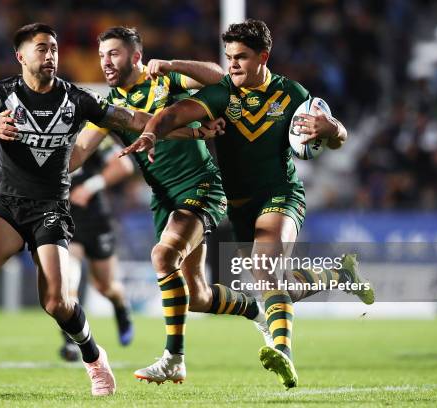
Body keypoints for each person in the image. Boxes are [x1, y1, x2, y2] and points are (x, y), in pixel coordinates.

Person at [0, 22, 220, 397]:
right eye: (41, 48)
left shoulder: (76, 98)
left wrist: (192, 132)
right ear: (20, 56)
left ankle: (94, 357)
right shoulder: (1, 94)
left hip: (51, 208)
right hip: (6, 202)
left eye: (54, 48)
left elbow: (133, 120)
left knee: (56, 302)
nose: (50, 54)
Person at [121, 19, 375, 389]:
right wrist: (150, 131)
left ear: (263, 57)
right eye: (229, 57)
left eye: (241, 57)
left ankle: (283, 352)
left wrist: (331, 129)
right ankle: (340, 274)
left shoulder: (291, 94)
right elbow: (175, 114)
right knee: (278, 283)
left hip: (281, 194)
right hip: (239, 206)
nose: (233, 64)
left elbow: (337, 134)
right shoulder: (222, 93)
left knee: (264, 269)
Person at [70, 26, 276, 385]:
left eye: (114, 53)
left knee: (163, 257)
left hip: (202, 186)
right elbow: (79, 153)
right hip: (164, 198)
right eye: (102, 55)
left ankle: (173, 359)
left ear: (135, 56)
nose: (106, 61)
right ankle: (257, 309)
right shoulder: (108, 108)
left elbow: (220, 77)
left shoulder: (164, 81)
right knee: (196, 296)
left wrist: (169, 64)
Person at [60, 136, 135, 362]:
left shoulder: (88, 135)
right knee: (68, 283)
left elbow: (124, 165)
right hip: (64, 218)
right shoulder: (42, 131)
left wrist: (90, 187)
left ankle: (122, 308)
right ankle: (71, 342)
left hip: (94, 219)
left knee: (106, 286)